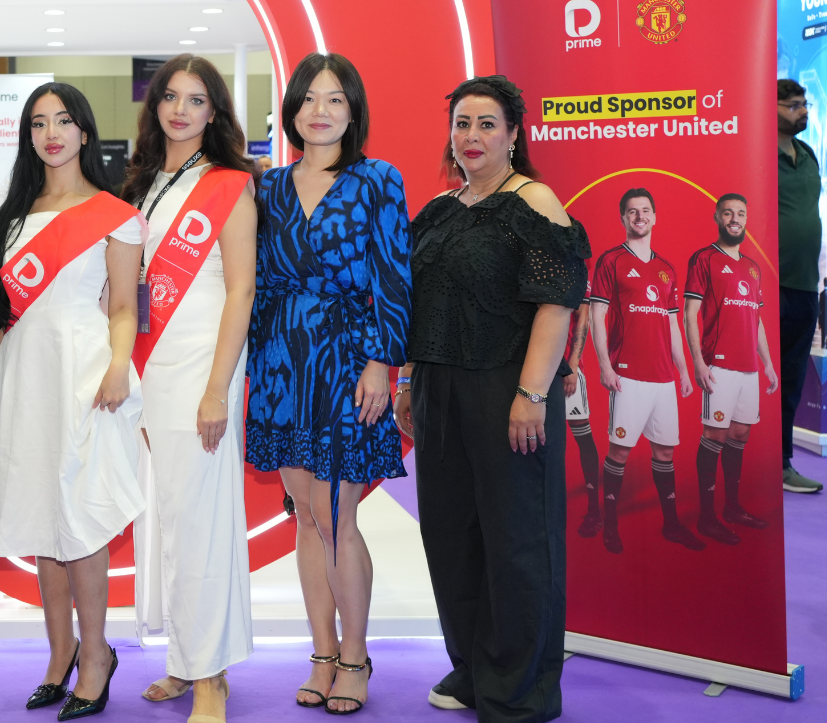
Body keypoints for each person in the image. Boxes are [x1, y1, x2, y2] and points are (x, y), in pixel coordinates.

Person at [395, 75, 589, 722]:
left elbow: (556, 303)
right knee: (451, 535)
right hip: (438, 389)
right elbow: (417, 304)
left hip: (509, 388)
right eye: (462, 123)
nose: (471, 136)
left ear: (513, 133)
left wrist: (531, 392)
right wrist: (407, 381)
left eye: (486, 123)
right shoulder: (440, 209)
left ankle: (519, 685)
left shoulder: (534, 201)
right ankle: (474, 667)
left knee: (517, 538)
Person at [246, 53, 411, 715]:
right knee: (307, 514)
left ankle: (356, 655)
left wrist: (382, 362)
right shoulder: (268, 187)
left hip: (348, 360)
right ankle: (321, 651)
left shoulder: (378, 180)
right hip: (281, 362)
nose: (321, 110)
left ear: (353, 111)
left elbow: (395, 276)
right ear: (291, 110)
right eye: (310, 98)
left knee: (338, 511)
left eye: (335, 99)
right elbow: (255, 281)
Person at [0, 83, 145, 721]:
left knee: (81, 517)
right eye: (39, 122)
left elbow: (123, 306)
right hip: (23, 378)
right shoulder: (7, 217)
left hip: (84, 374)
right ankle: (60, 652)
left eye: (64, 120)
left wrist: (120, 366)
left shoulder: (115, 214)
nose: (52, 133)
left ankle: (96, 655)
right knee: (40, 514)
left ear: (84, 131)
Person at [125, 54, 257, 723]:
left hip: (203, 366)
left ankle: (211, 676)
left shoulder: (229, 184)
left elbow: (242, 290)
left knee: (201, 523)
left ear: (214, 111)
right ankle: (186, 656)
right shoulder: (141, 184)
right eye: (171, 97)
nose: (181, 110)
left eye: (196, 99)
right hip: (148, 370)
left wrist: (216, 390)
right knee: (170, 522)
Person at [587, 189, 701, 553]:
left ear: (655, 216)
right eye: (632, 211)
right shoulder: (611, 261)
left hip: (663, 378)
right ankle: (610, 525)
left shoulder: (666, 269)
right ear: (623, 218)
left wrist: (683, 371)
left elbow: (673, 325)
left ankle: (671, 525)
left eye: (645, 210)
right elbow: (597, 315)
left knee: (665, 453)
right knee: (619, 452)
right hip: (628, 375)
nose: (640, 216)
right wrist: (605, 366)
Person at [684, 193, 779, 545]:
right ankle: (707, 517)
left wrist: (768, 364)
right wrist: (698, 362)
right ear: (717, 217)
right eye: (728, 213)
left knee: (740, 434)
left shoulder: (752, 267)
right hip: (718, 365)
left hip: (748, 368)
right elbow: (690, 314)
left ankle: (733, 508)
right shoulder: (704, 258)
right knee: (715, 436)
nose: (734, 218)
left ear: (746, 219)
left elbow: (757, 320)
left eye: (740, 213)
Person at [777, 80, 825, 494]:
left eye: (804, 104)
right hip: (768, 285)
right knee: (757, 379)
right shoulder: (757, 153)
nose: (803, 111)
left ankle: (781, 464)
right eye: (793, 105)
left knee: (792, 381)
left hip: (805, 285)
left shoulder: (807, 154)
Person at [564, 287, 600, 538]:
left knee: (582, 436)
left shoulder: (578, 269)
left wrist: (573, 365)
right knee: (539, 440)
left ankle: (594, 510)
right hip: (535, 371)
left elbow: (583, 316)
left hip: (566, 369)